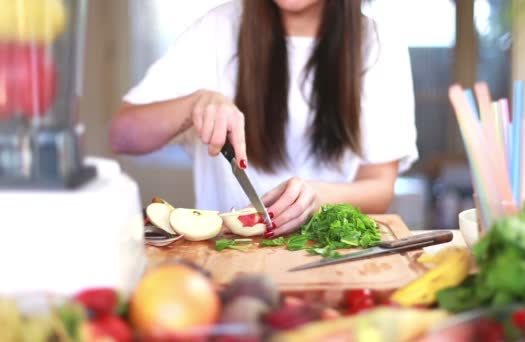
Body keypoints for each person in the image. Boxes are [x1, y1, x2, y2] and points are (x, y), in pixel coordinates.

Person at [109, 0, 418, 238]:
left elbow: (380, 187)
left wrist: (318, 196)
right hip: (227, 257)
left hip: (331, 257)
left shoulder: (378, 44)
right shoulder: (216, 29)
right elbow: (122, 135)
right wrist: (192, 105)